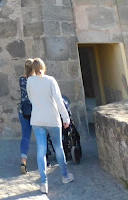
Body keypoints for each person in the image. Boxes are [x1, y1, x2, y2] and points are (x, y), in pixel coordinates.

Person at [26, 58, 75, 194]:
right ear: (43, 67)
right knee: (58, 147)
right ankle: (65, 175)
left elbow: (31, 99)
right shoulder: (50, 80)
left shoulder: (30, 81)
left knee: (41, 149)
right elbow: (58, 100)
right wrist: (66, 117)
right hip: (52, 119)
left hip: (37, 119)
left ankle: (43, 183)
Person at [18, 58, 34, 174]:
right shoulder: (37, 80)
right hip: (36, 110)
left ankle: (23, 160)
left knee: (25, 136)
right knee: (42, 135)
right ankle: (45, 160)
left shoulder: (21, 79)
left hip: (23, 110)